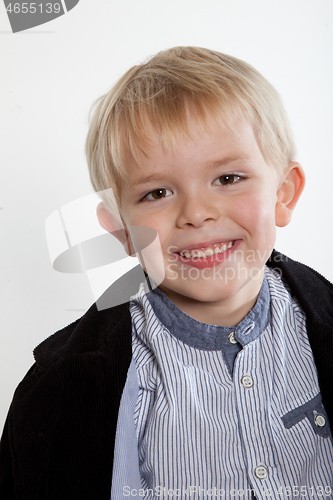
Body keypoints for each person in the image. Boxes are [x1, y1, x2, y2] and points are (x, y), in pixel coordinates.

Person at [1, 46, 332, 499]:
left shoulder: (325, 329)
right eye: (157, 192)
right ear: (122, 230)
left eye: (228, 179)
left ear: (284, 194)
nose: (196, 213)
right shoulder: (61, 390)